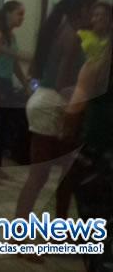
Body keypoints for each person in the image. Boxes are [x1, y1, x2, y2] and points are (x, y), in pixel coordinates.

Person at [15, 0, 96, 231]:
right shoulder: (72, 35)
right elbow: (63, 83)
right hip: (53, 105)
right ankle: (18, 236)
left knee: (62, 175)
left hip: (45, 100)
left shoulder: (60, 28)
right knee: (41, 178)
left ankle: (54, 231)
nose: (93, 15)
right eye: (91, 9)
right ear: (82, 9)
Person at [62, 27, 113, 272]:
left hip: (96, 154)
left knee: (95, 226)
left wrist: (68, 141)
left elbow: (74, 108)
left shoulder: (97, 66)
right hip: (99, 154)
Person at [0, 0, 31, 183]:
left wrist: (25, 83)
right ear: (8, 14)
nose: (22, 18)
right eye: (19, 14)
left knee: (5, 128)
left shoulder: (11, 36)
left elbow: (14, 65)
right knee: (1, 127)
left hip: (6, 84)